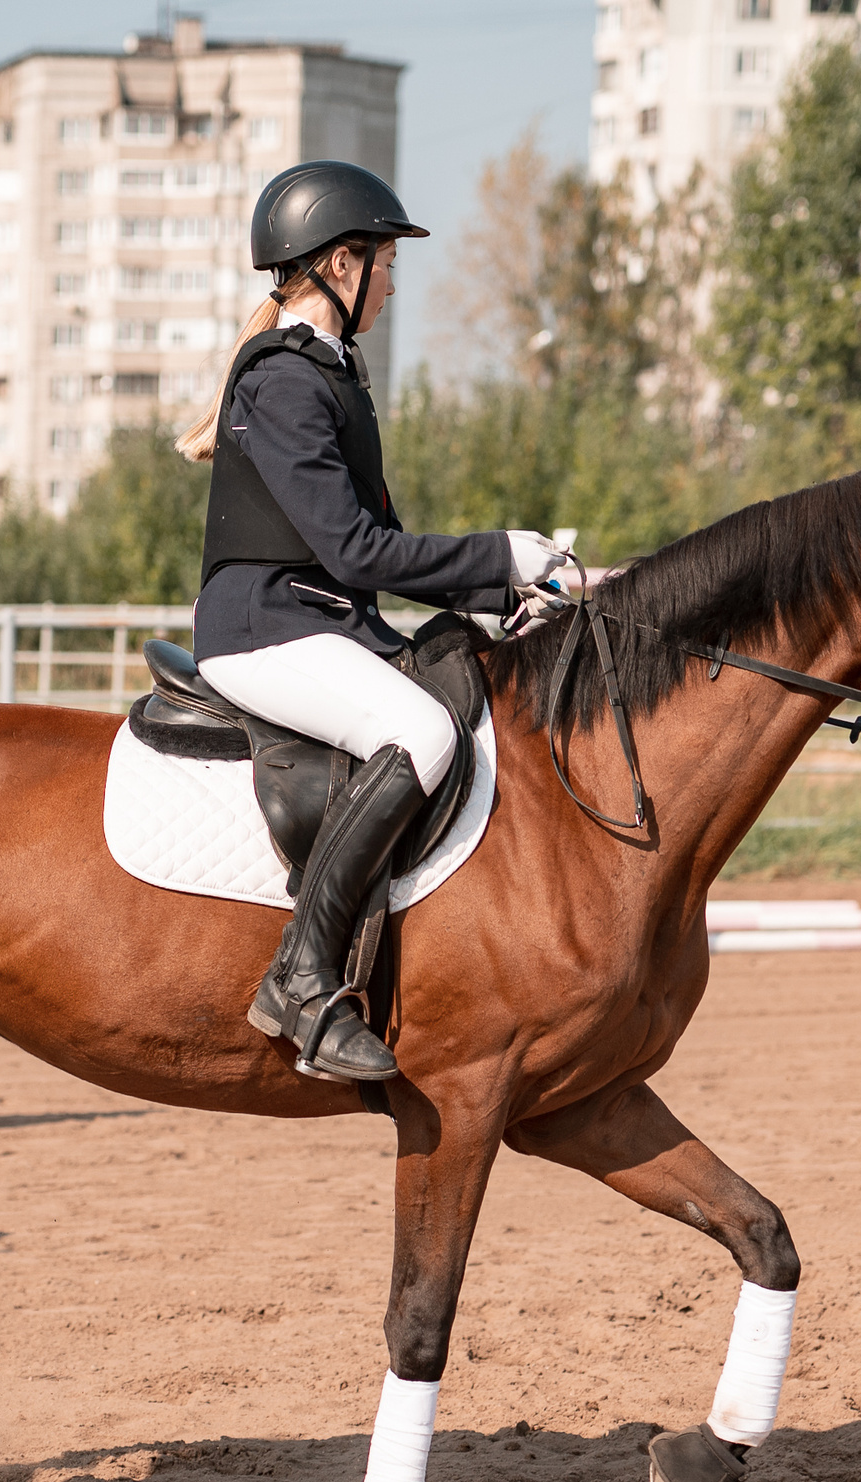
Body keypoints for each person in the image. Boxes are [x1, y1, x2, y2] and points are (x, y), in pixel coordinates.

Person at [173, 160, 572, 1085]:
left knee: (460, 691)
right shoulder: (284, 381)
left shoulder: (333, 375)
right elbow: (355, 553)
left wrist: (499, 598)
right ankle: (304, 978)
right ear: (342, 266)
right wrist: (501, 552)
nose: (393, 285)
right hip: (264, 630)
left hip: (317, 622)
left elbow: (381, 547)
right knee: (421, 729)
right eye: (387, 265)